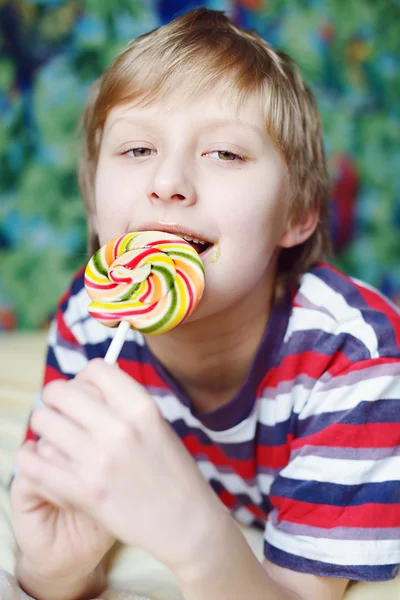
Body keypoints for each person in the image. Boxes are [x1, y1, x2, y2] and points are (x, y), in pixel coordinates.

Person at [10, 7, 400, 600]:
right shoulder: (92, 324)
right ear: (93, 205)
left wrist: (195, 535)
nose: (169, 181)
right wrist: (56, 568)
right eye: (137, 149)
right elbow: (60, 558)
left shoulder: (352, 358)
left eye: (225, 154)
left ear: (296, 214)